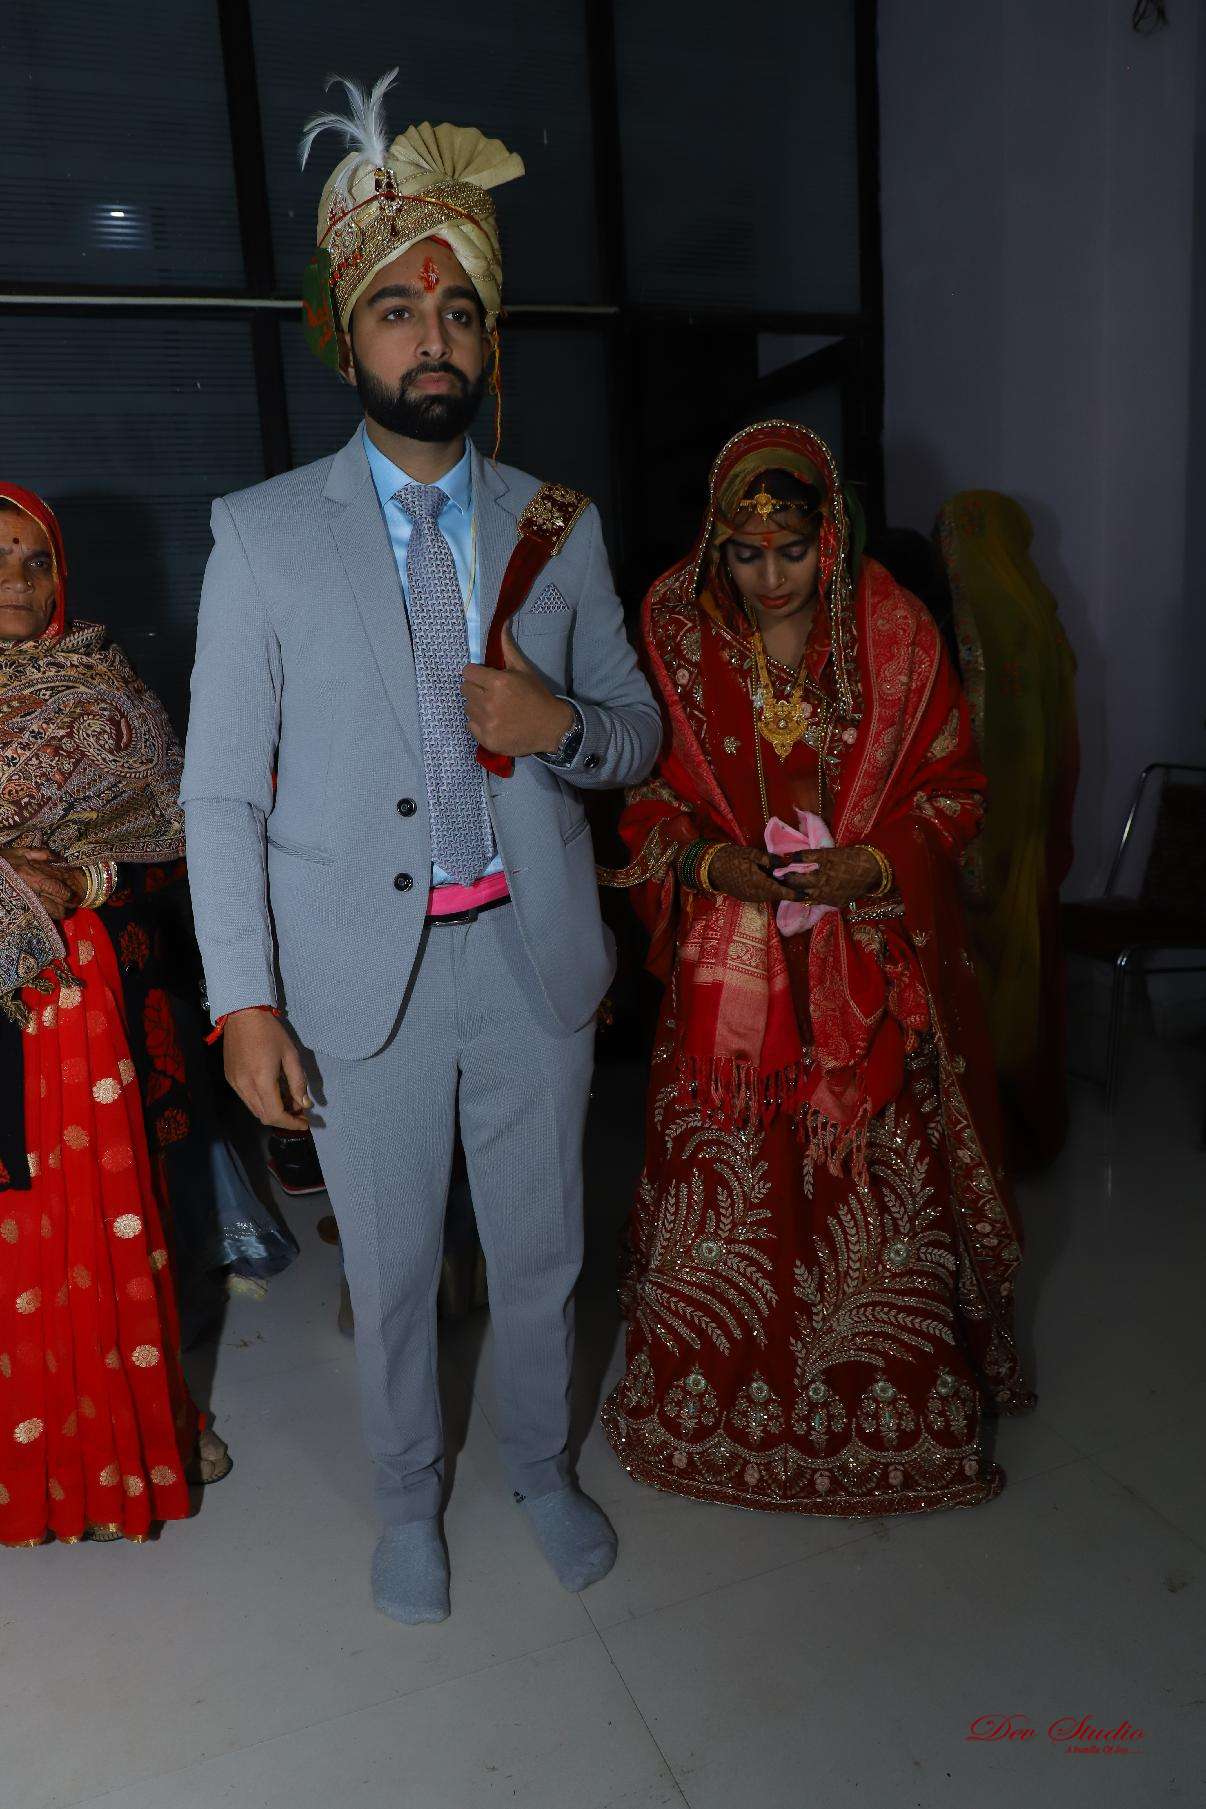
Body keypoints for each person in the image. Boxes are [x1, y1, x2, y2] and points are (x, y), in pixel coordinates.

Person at [181, 73, 661, 1623]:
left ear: (489, 337)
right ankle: (406, 1500)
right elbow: (218, 795)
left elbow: (637, 735)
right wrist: (243, 1002)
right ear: (348, 337)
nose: (431, 335)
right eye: (397, 309)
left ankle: (538, 1469)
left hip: (530, 959)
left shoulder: (560, 526)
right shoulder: (261, 536)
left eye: (458, 309)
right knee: (386, 1274)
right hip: (354, 981)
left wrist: (558, 724)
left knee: (541, 1254)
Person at [602, 421, 1033, 1518]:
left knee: (869, 1194)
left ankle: (887, 1424)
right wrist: (708, 861)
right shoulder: (675, 639)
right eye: (746, 554)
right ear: (717, 546)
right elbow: (644, 800)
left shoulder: (895, 634)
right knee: (727, 1194)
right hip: (732, 984)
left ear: (830, 536)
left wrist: (875, 865)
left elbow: (955, 791)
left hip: (863, 970)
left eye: (792, 550)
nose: (771, 577)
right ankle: (705, 1410)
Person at [0, 483, 231, 1546]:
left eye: (34, 560)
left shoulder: (109, 691)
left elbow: (174, 838)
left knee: (102, 1224)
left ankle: (131, 1440)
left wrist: (86, 878)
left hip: (82, 1008)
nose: (16, 582)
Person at [935, 492, 1079, 1168]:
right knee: (1030, 970)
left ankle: (991, 1141)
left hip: (986, 836)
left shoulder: (995, 619)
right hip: (1031, 838)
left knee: (984, 981)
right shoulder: (1042, 615)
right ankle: (1026, 1126)